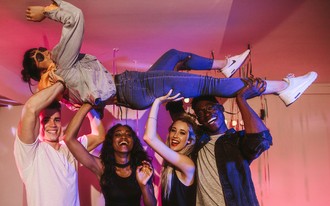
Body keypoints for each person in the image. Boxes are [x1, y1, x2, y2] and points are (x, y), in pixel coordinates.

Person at [22, 1, 317, 114]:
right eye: (39, 57)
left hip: (131, 87)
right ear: (42, 70)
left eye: (39, 49)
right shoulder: (62, 64)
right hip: (132, 87)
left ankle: (226, 66)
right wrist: (48, 11)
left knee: (175, 55)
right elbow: (76, 16)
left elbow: (93, 102)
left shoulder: (63, 86)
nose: (44, 52)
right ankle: (283, 88)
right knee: (203, 87)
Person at [13, 76, 106, 206]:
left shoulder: (70, 147)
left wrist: (87, 108)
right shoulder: (31, 152)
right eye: (46, 120)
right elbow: (30, 109)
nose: (52, 125)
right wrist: (64, 82)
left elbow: (99, 135)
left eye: (56, 120)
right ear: (38, 123)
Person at [190, 78, 273, 206]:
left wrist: (241, 99)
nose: (205, 114)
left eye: (210, 108)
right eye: (200, 113)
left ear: (221, 108)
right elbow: (176, 112)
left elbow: (262, 140)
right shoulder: (197, 140)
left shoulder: (236, 140)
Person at [63, 103, 157, 206]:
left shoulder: (142, 168)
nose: (123, 137)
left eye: (128, 135)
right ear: (111, 142)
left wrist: (143, 186)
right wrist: (87, 105)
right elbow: (69, 139)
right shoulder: (102, 167)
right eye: (118, 134)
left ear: (133, 141)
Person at [143, 90, 199, 206]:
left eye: (182, 133)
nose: (175, 136)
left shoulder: (187, 164)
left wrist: (158, 102)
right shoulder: (171, 162)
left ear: (189, 140)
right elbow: (149, 131)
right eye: (173, 130)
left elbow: (149, 137)